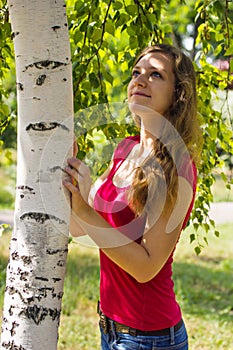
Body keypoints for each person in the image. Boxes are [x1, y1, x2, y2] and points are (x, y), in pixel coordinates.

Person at [63, 43, 203, 350]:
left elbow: (146, 268)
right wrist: (76, 184)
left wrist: (86, 210)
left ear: (178, 95)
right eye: (136, 72)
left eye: (155, 75)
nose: (139, 80)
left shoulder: (178, 169)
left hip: (149, 339)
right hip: (110, 329)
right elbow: (80, 228)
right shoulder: (124, 149)